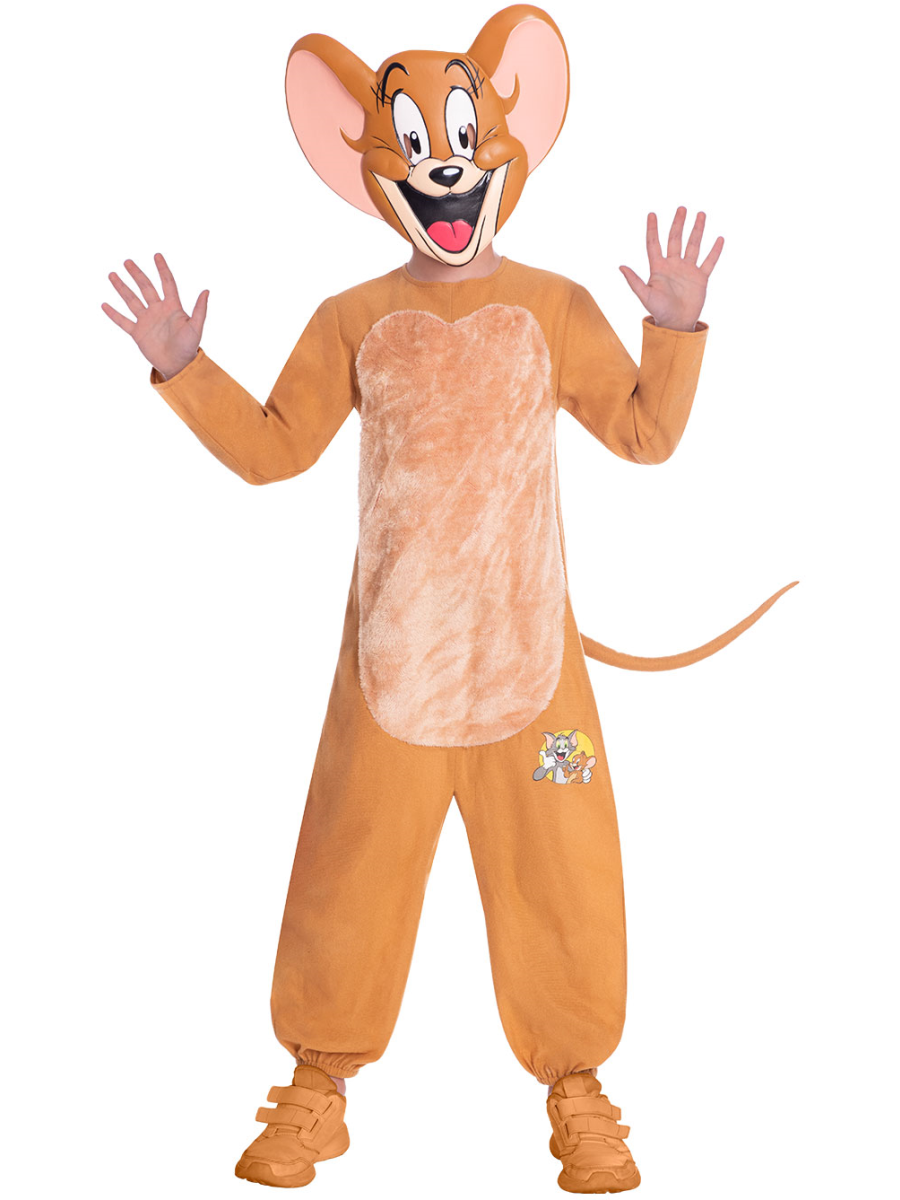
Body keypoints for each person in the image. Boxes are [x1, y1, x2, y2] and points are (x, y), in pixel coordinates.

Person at [102, 6, 729, 1193]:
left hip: (536, 687)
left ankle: (578, 1087)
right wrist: (186, 369)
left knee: (569, 871)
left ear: (511, 142)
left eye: (464, 141)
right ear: (366, 164)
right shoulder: (351, 318)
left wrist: (676, 328)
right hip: (388, 679)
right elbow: (275, 450)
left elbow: (645, 435)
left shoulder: (554, 307)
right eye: (415, 148)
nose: (445, 171)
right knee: (344, 874)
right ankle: (316, 1086)